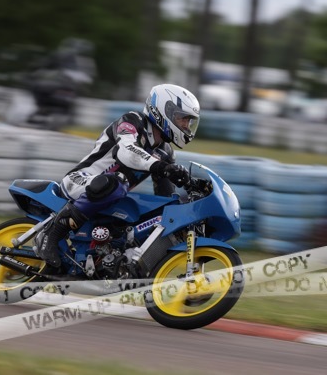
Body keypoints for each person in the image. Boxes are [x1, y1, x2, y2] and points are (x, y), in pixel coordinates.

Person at [35, 83, 206, 268]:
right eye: (182, 118)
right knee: (117, 183)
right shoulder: (132, 121)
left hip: (112, 197)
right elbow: (127, 152)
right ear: (164, 112)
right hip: (79, 181)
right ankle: (51, 233)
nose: (186, 125)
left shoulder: (165, 152)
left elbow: (165, 198)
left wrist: (189, 188)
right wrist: (162, 167)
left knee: (157, 211)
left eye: (189, 121)